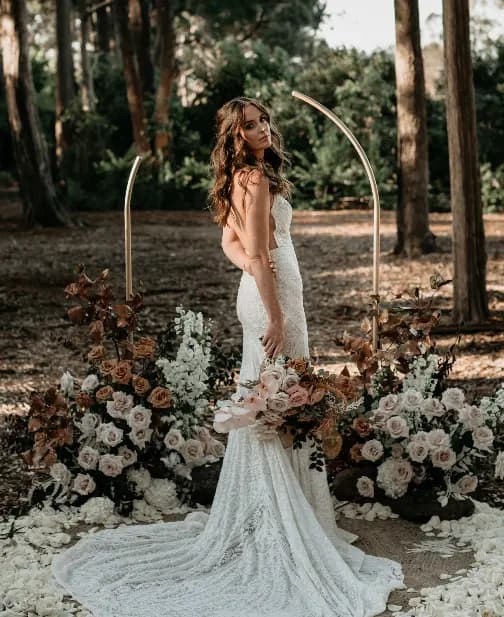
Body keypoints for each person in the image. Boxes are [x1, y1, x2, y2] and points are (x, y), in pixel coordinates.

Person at [51, 97, 404, 617]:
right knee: (280, 404)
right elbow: (257, 253)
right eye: (251, 125)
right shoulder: (255, 180)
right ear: (234, 135)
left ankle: (278, 513)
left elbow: (230, 243)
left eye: (264, 120)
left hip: (263, 289)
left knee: (272, 402)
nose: (263, 128)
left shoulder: (241, 176)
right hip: (272, 292)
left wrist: (255, 273)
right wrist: (275, 312)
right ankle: (280, 521)